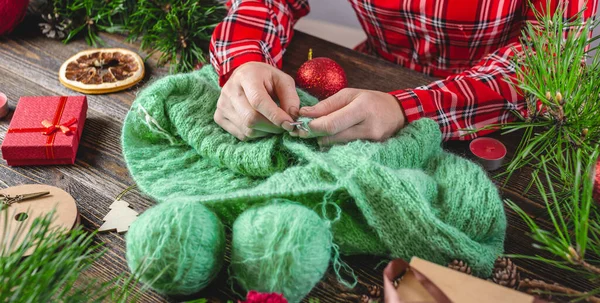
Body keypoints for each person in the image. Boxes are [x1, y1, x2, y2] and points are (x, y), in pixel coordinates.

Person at [209, 0, 597, 146]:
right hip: (367, 73)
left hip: (500, 119)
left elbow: (548, 61)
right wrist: (243, 58)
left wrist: (408, 108)